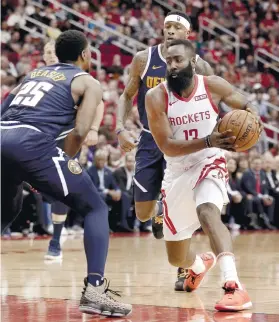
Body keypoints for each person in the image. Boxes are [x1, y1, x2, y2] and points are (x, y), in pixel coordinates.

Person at [1, 30, 132, 317]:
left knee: (7, 209)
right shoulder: (87, 81)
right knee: (95, 207)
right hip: (32, 142)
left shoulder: (33, 75)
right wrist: (52, 166)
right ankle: (95, 291)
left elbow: (3, 110)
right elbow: (82, 131)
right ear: (85, 55)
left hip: (2, 135)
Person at [145, 39, 262, 311]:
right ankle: (199, 264)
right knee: (177, 259)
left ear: (193, 62)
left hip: (210, 162)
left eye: (178, 60)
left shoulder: (212, 85)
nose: (172, 66)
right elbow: (167, 147)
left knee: (208, 211)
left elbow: (245, 104)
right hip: (177, 171)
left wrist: (252, 121)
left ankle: (233, 285)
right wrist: (209, 140)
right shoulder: (156, 97)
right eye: (169, 61)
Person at [116, 10, 214, 290]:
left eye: (176, 27)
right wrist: (121, 128)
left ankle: (186, 269)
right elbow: (125, 96)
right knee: (143, 215)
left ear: (187, 35)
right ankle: (159, 208)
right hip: (149, 140)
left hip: (183, 144)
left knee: (183, 212)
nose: (169, 30)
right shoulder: (143, 59)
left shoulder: (200, 66)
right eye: (166, 26)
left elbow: (211, 102)